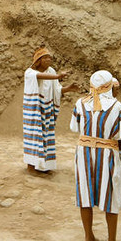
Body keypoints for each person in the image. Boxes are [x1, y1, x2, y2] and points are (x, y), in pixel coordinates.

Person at [70, 70, 121, 241]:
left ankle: (89, 238)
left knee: (85, 193)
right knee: (110, 193)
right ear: (110, 86)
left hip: (84, 152)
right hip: (107, 154)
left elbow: (75, 127)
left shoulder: (80, 103)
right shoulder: (116, 106)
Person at [22, 47, 79, 175]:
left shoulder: (51, 71)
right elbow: (39, 76)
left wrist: (68, 88)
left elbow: (56, 90)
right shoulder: (29, 72)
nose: (49, 60)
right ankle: (31, 167)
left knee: (46, 136)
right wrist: (57, 76)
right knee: (34, 136)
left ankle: (44, 166)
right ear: (38, 61)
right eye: (45, 58)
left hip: (47, 110)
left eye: (50, 57)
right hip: (33, 110)